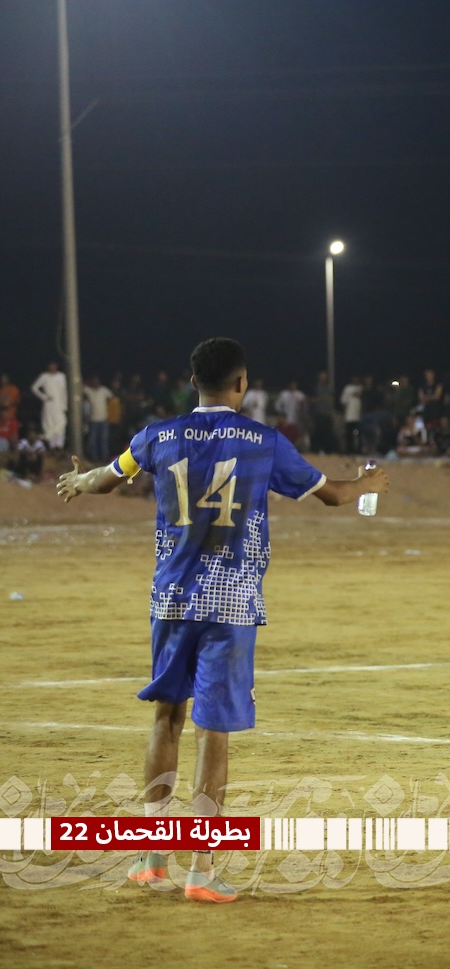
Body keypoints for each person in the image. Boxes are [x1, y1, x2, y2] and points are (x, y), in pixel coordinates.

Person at [54, 337, 388, 902]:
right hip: (230, 604)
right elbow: (331, 495)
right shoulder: (264, 441)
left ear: (193, 382)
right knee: (214, 731)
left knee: (166, 719)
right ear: (241, 383)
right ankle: (202, 871)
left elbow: (110, 476)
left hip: (171, 599)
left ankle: (152, 859)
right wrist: (368, 485)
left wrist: (80, 480)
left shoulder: (157, 435)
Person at [31, 361, 67, 449]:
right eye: (51, 366)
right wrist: (44, 397)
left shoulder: (62, 376)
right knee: (49, 424)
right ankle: (52, 446)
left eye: (54, 365)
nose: (52, 367)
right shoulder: (44, 376)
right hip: (49, 404)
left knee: (61, 424)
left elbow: (64, 392)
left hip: (60, 404)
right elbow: (34, 388)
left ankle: (59, 446)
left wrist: (65, 406)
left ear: (57, 366)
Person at [82, 376, 114, 463]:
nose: (95, 383)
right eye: (94, 381)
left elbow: (112, 397)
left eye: (97, 381)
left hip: (104, 419)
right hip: (93, 420)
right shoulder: (89, 390)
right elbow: (81, 386)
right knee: (93, 441)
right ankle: (94, 458)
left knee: (103, 440)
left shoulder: (103, 390)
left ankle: (104, 458)